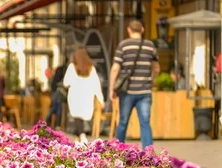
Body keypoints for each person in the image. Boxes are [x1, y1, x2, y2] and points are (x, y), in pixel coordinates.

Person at [109, 19, 160, 148]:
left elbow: (115, 68)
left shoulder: (123, 46)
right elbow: (156, 68)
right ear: (142, 30)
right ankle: (148, 153)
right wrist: (151, 80)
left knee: (123, 122)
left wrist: (111, 89)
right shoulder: (150, 46)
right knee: (145, 123)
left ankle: (118, 150)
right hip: (145, 92)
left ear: (129, 30)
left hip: (127, 92)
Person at [63, 47, 104, 143]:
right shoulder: (91, 68)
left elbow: (66, 82)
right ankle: (79, 138)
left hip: (75, 96)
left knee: (77, 116)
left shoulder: (72, 67)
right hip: (87, 96)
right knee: (81, 117)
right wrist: (101, 99)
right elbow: (96, 84)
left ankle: (82, 135)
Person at [45, 59, 67, 129]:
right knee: (58, 108)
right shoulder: (63, 71)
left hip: (54, 91)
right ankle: (57, 124)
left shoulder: (58, 71)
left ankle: (47, 120)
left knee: (55, 107)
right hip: (58, 91)